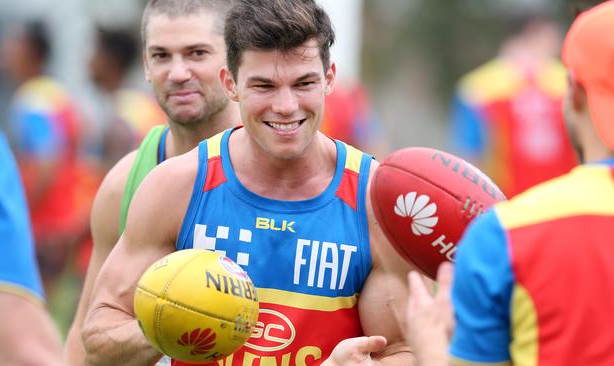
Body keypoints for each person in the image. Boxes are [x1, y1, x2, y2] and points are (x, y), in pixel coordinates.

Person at [81, 0, 415, 365]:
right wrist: (170, 323)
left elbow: (404, 349)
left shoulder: (372, 200)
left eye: (304, 83)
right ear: (231, 84)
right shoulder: (178, 185)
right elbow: (99, 339)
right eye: (264, 86)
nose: (286, 106)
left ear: (329, 78)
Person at [406, 2, 614, 365]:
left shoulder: (477, 89)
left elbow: (464, 166)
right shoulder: (553, 80)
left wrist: (427, 350)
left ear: (575, 95)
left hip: (521, 236)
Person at [64, 0, 240, 364]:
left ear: (234, 61)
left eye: (197, 53)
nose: (178, 72)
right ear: (145, 64)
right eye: (161, 56)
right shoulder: (126, 182)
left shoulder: (281, 170)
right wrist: (171, 324)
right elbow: (87, 336)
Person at [0, 20, 96, 295]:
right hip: (68, 211)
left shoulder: (33, 101)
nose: (4, 51)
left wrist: (21, 212)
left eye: (12, 44)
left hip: (47, 219)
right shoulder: (57, 93)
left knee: (33, 301)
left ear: (30, 51)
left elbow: (45, 164)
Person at [0, 106, 64, 365]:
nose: (5, 62)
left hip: (52, 223)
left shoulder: (31, 101)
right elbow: (21, 354)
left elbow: (46, 161)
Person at [448, 11, 577, 198]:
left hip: (503, 211)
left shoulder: (475, 88)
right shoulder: (570, 83)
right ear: (537, 29)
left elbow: (467, 162)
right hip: (563, 207)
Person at [87, 26, 167, 173]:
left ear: (110, 61)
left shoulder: (120, 115)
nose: (89, 60)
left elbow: (115, 176)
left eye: (96, 52)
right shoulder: (140, 102)